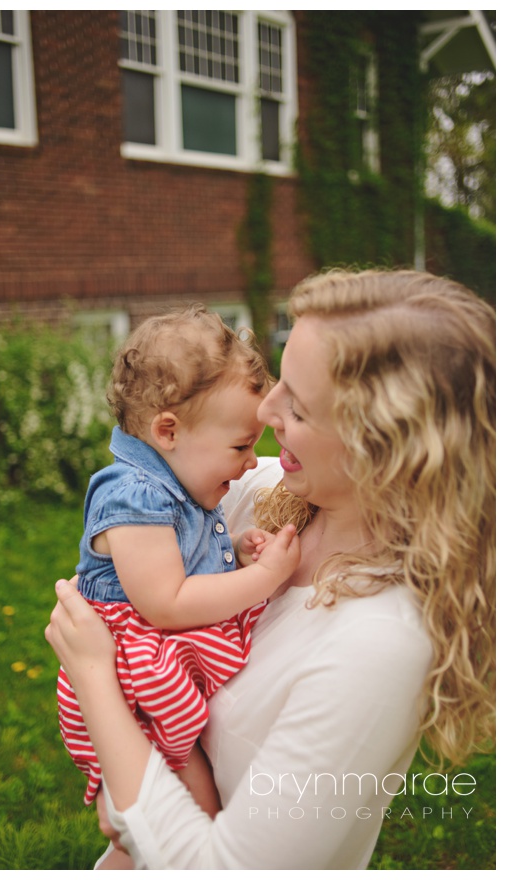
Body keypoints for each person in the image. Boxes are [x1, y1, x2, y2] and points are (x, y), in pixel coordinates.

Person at [46, 269, 495, 869]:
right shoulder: (254, 491)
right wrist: (126, 782)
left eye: (300, 408)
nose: (266, 406)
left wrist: (97, 686)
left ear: (384, 450)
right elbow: (124, 590)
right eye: (279, 377)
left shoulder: (379, 643)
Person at [57, 304, 300, 824]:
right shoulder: (134, 497)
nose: (251, 462)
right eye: (240, 445)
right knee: (193, 800)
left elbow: (178, 563)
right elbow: (166, 603)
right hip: (137, 683)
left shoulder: (172, 483)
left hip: (158, 669)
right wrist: (263, 578)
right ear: (168, 431)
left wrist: (228, 549)